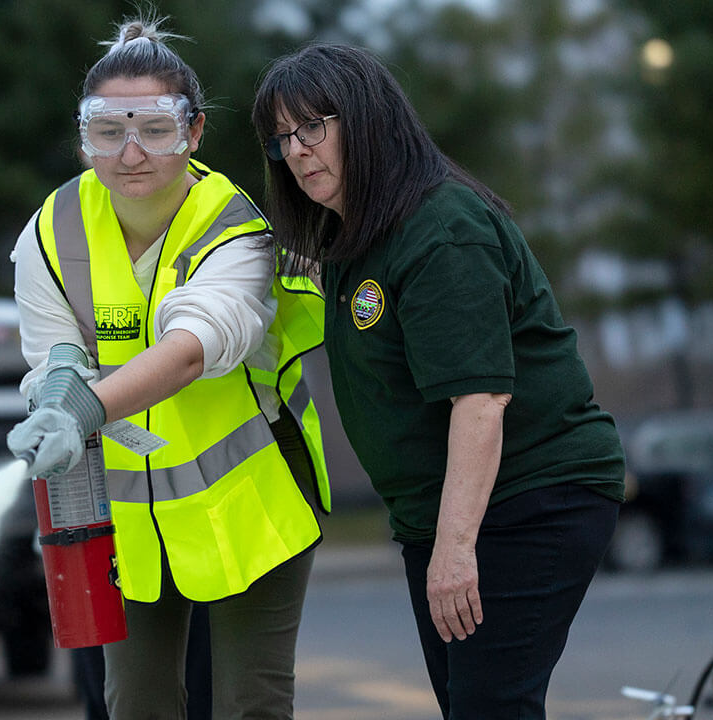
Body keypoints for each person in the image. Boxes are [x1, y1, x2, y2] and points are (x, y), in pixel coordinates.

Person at [251, 43, 626, 720]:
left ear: (366, 120)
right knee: (470, 707)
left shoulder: (440, 229)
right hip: (444, 516)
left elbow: (480, 401)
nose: (298, 151)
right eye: (282, 139)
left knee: (489, 709)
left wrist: (454, 552)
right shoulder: (357, 240)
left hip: (527, 500)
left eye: (314, 126)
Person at [6, 14, 331, 720]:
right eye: (106, 132)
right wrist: (57, 390)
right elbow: (53, 350)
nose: (130, 154)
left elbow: (192, 350)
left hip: (253, 501)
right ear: (81, 133)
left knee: (251, 704)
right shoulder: (52, 229)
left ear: (194, 132)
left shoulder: (234, 229)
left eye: (155, 129)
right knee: (136, 705)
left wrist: (83, 409)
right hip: (126, 511)